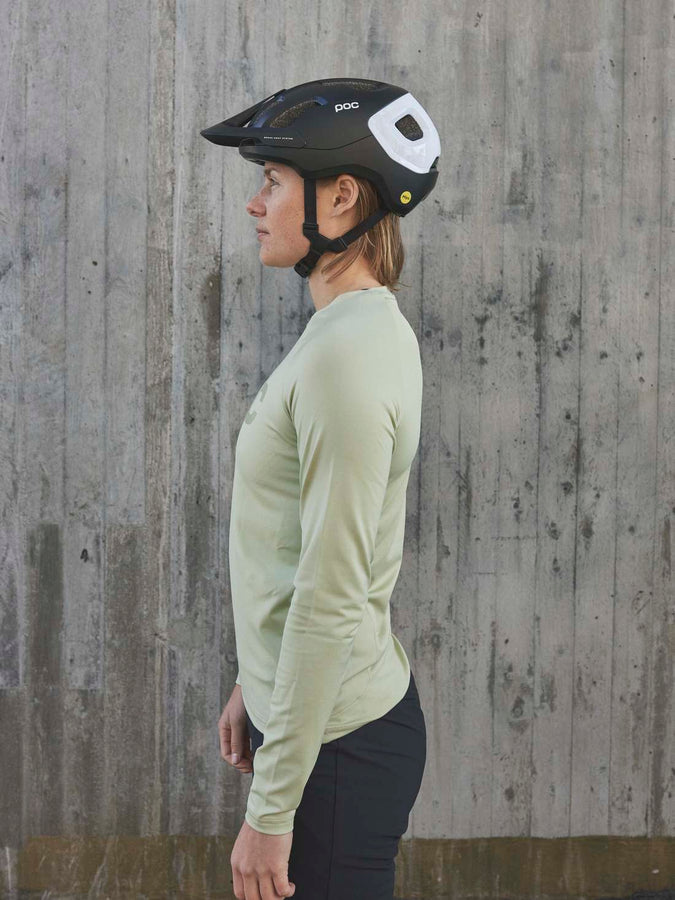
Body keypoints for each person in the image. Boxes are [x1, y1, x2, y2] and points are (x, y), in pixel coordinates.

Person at [201, 77, 441, 900]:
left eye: (273, 181)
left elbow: (332, 593)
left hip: (338, 754)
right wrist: (255, 678)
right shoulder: (347, 330)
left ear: (340, 198)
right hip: (324, 729)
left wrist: (271, 812)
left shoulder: (347, 358)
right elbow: (294, 544)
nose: (254, 203)